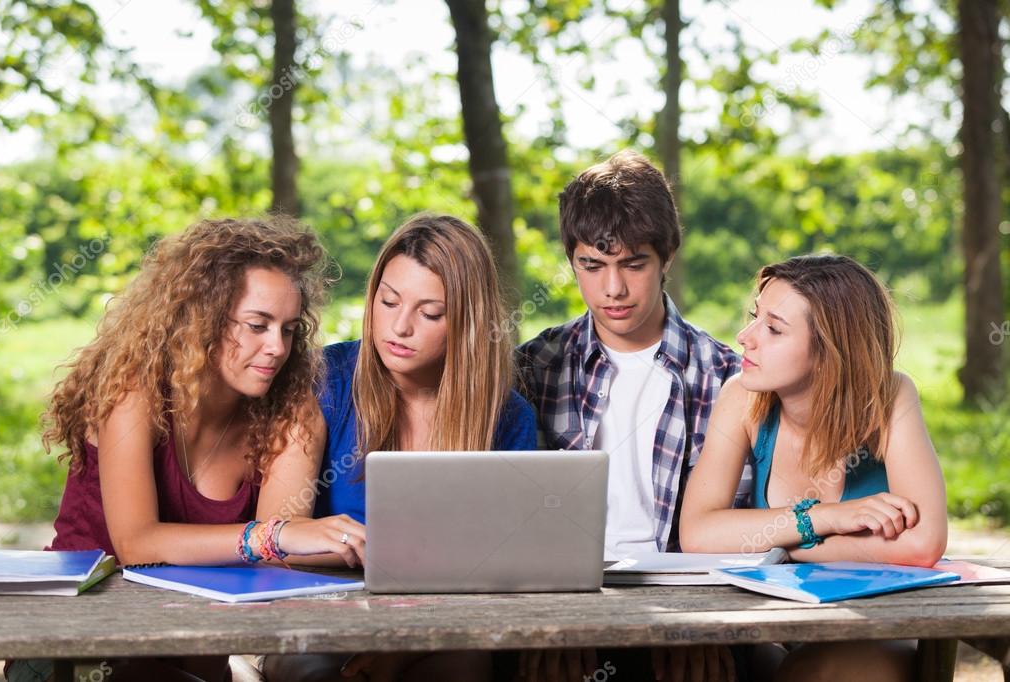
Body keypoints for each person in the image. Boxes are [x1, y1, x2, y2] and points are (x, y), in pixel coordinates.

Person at [9, 217, 364, 682]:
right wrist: (273, 536)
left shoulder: (288, 412)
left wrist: (366, 545)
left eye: (290, 329)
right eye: (257, 325)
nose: (276, 347)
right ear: (201, 319)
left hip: (197, 654)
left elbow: (280, 550)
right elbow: (137, 544)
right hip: (75, 654)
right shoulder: (132, 394)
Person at [261, 214, 538, 682]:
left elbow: (505, 567)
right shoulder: (322, 380)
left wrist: (402, 646)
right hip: (320, 614)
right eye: (388, 302)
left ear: (468, 324)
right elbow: (275, 536)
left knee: (460, 671)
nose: (400, 327)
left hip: (446, 625)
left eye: (430, 314)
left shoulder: (508, 418)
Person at [515, 151, 753, 681]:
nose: (613, 289)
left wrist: (699, 625)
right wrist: (555, 622)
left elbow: (744, 528)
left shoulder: (726, 376)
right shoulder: (533, 368)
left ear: (667, 257)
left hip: (688, 596)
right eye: (592, 266)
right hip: (567, 597)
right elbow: (513, 523)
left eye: (633, 264)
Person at [680, 254, 948, 682]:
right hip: (776, 628)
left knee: (827, 669)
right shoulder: (742, 399)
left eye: (773, 328)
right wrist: (825, 518)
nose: (745, 337)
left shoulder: (892, 395)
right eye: (755, 317)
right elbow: (697, 532)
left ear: (829, 351)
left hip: (873, 627)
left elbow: (922, 545)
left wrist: (792, 548)